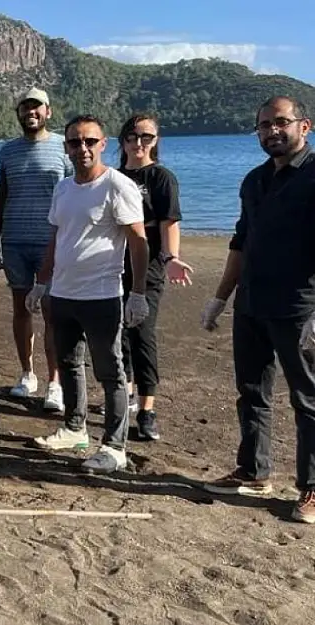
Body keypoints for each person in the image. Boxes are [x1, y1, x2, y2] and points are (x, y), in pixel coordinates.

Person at [201, 96, 315, 524]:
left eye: (280, 123)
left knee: (308, 399)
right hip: (251, 305)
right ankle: (253, 471)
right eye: (264, 125)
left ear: (304, 126)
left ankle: (312, 489)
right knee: (252, 393)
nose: (272, 131)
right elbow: (240, 243)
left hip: (299, 308)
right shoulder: (254, 181)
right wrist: (220, 298)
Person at [28, 115, 149, 474]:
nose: (82, 148)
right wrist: (41, 282)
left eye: (89, 142)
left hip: (101, 295)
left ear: (103, 143)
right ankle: (74, 428)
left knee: (109, 371)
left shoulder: (117, 185)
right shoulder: (63, 188)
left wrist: (138, 293)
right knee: (68, 364)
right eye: (74, 142)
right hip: (63, 294)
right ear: (66, 147)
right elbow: (55, 238)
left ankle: (114, 447)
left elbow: (138, 243)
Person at [0, 88, 75, 412]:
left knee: (53, 312)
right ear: (19, 112)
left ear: (48, 112)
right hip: (14, 242)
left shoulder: (62, 147)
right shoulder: (8, 151)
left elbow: (74, 193)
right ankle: (27, 374)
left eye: (37, 107)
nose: (31, 112)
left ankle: (55, 382)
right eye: (26, 107)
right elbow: (1, 197)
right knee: (21, 310)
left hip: (51, 244)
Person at [116, 113, 194, 441]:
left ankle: (147, 410)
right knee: (116, 334)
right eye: (132, 137)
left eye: (146, 137)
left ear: (156, 141)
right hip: (112, 265)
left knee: (142, 334)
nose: (138, 143)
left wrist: (171, 258)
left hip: (147, 266)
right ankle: (126, 395)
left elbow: (168, 224)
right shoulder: (114, 177)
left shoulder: (162, 178)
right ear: (122, 141)